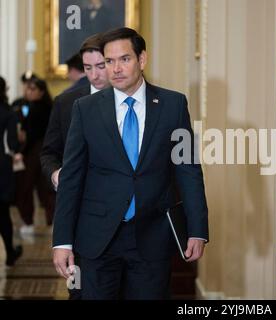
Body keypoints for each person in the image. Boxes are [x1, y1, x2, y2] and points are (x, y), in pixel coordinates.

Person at [52, 27, 209, 300]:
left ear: (142, 60)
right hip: (97, 239)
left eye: (124, 59)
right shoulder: (85, 109)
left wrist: (197, 230)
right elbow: (72, 179)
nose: (115, 69)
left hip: (152, 237)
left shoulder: (173, 105)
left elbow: (188, 171)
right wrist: (62, 241)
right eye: (109, 61)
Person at [41, 33, 109, 300]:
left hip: (127, 220)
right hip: (81, 216)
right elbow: (48, 153)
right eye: (88, 68)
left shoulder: (133, 100)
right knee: (80, 291)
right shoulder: (66, 102)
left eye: (100, 66)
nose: (94, 76)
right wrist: (56, 173)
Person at [15, 77, 54, 234]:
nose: (28, 92)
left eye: (33, 89)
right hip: (38, 150)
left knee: (32, 187)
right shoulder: (27, 105)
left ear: (41, 92)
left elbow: (30, 134)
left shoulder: (42, 108)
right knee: (43, 189)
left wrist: (21, 150)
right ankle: (47, 222)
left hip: (35, 151)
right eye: (27, 88)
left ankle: (32, 222)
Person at [0, 76, 23, 266]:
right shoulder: (8, 112)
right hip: (2, 165)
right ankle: (9, 252)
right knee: (3, 213)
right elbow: (13, 143)